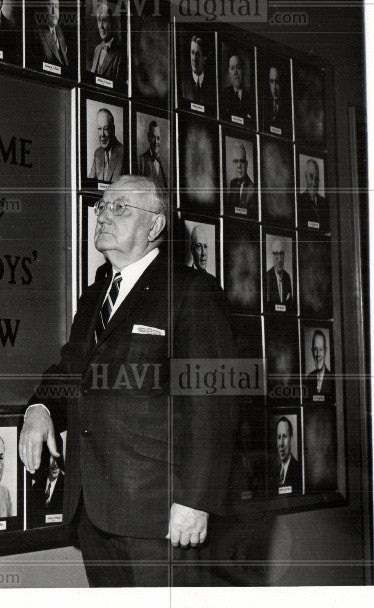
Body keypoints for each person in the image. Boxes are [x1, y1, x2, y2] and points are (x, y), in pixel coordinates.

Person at [19, 175, 238, 587]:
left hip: (162, 515)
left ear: (155, 226)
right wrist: (40, 408)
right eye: (102, 206)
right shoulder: (94, 295)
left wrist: (196, 501)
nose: (103, 214)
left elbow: (215, 404)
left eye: (120, 207)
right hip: (94, 512)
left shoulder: (190, 291)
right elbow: (71, 372)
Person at [29, 0, 70, 68]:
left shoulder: (60, 32)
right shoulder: (36, 33)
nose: (54, 11)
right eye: (50, 6)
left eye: (56, 6)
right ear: (43, 7)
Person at [87, 0, 123, 82]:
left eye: (105, 20)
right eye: (99, 21)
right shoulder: (97, 49)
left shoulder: (120, 54)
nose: (101, 26)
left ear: (112, 23)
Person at [179, 35, 216, 112]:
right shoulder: (183, 83)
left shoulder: (213, 87)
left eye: (198, 54)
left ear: (204, 59)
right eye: (192, 53)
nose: (194, 59)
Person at [28, 449, 64, 525]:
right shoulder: (36, 487)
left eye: (57, 458)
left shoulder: (67, 487)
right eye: (51, 457)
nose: (55, 464)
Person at [88, 108, 124, 183]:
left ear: (113, 129)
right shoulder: (98, 153)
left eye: (106, 129)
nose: (102, 134)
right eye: (99, 129)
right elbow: (90, 183)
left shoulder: (124, 153)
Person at [219, 52, 252, 123]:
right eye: (232, 68)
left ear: (243, 70)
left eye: (238, 67)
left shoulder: (250, 97)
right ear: (229, 71)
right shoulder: (224, 95)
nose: (235, 72)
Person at [303, 329, 335, 402]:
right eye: (315, 349)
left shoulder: (332, 378)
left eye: (320, 349)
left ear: (325, 351)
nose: (318, 354)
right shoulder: (308, 379)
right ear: (312, 351)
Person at [299, 158, 329, 231]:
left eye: (316, 178)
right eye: (311, 176)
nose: (314, 183)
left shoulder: (325, 203)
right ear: (306, 177)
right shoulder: (299, 201)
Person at [275, 417, 302, 493]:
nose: (281, 444)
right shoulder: (275, 472)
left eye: (285, 437)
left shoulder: (299, 470)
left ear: (291, 439)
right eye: (279, 437)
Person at [136, 120, 166, 188]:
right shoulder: (140, 161)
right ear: (148, 138)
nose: (156, 142)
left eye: (158, 138)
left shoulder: (165, 163)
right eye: (153, 137)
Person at [226, 144, 255, 212]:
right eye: (236, 161)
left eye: (242, 161)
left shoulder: (253, 189)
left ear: (247, 164)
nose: (239, 166)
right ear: (233, 164)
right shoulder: (232, 183)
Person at [265, 238, 293, 308]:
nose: (280, 259)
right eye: (276, 254)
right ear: (272, 256)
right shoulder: (267, 276)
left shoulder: (287, 277)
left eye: (281, 254)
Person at [263, 64, 288, 132]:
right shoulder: (264, 106)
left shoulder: (287, 109)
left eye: (277, 82)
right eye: (271, 81)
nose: (274, 87)